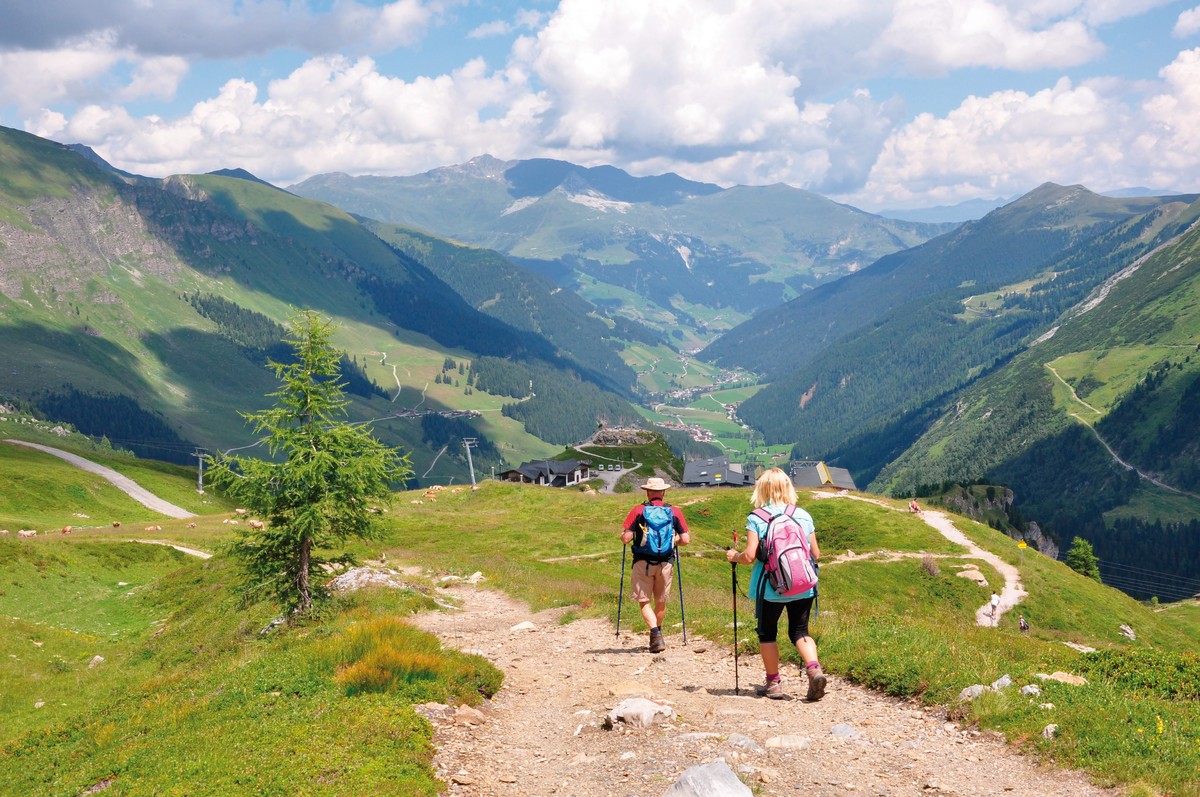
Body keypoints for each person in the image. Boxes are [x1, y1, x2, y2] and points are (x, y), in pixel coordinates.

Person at [726, 467, 826, 701]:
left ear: (762, 489)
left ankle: (773, 684)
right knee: (800, 631)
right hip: (803, 585)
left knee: (767, 633)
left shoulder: (757, 518)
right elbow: (816, 554)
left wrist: (735, 556)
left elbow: (750, 556)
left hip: (771, 588)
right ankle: (814, 669)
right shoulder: (803, 515)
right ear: (788, 487)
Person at [621, 477, 690, 653]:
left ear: (647, 492)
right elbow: (686, 540)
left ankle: (654, 634)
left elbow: (626, 538)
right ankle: (658, 636)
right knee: (661, 601)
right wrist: (673, 541)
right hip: (666, 562)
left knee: (644, 600)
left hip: (642, 562)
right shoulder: (674, 512)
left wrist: (623, 537)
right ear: (664, 492)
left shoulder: (638, 510)